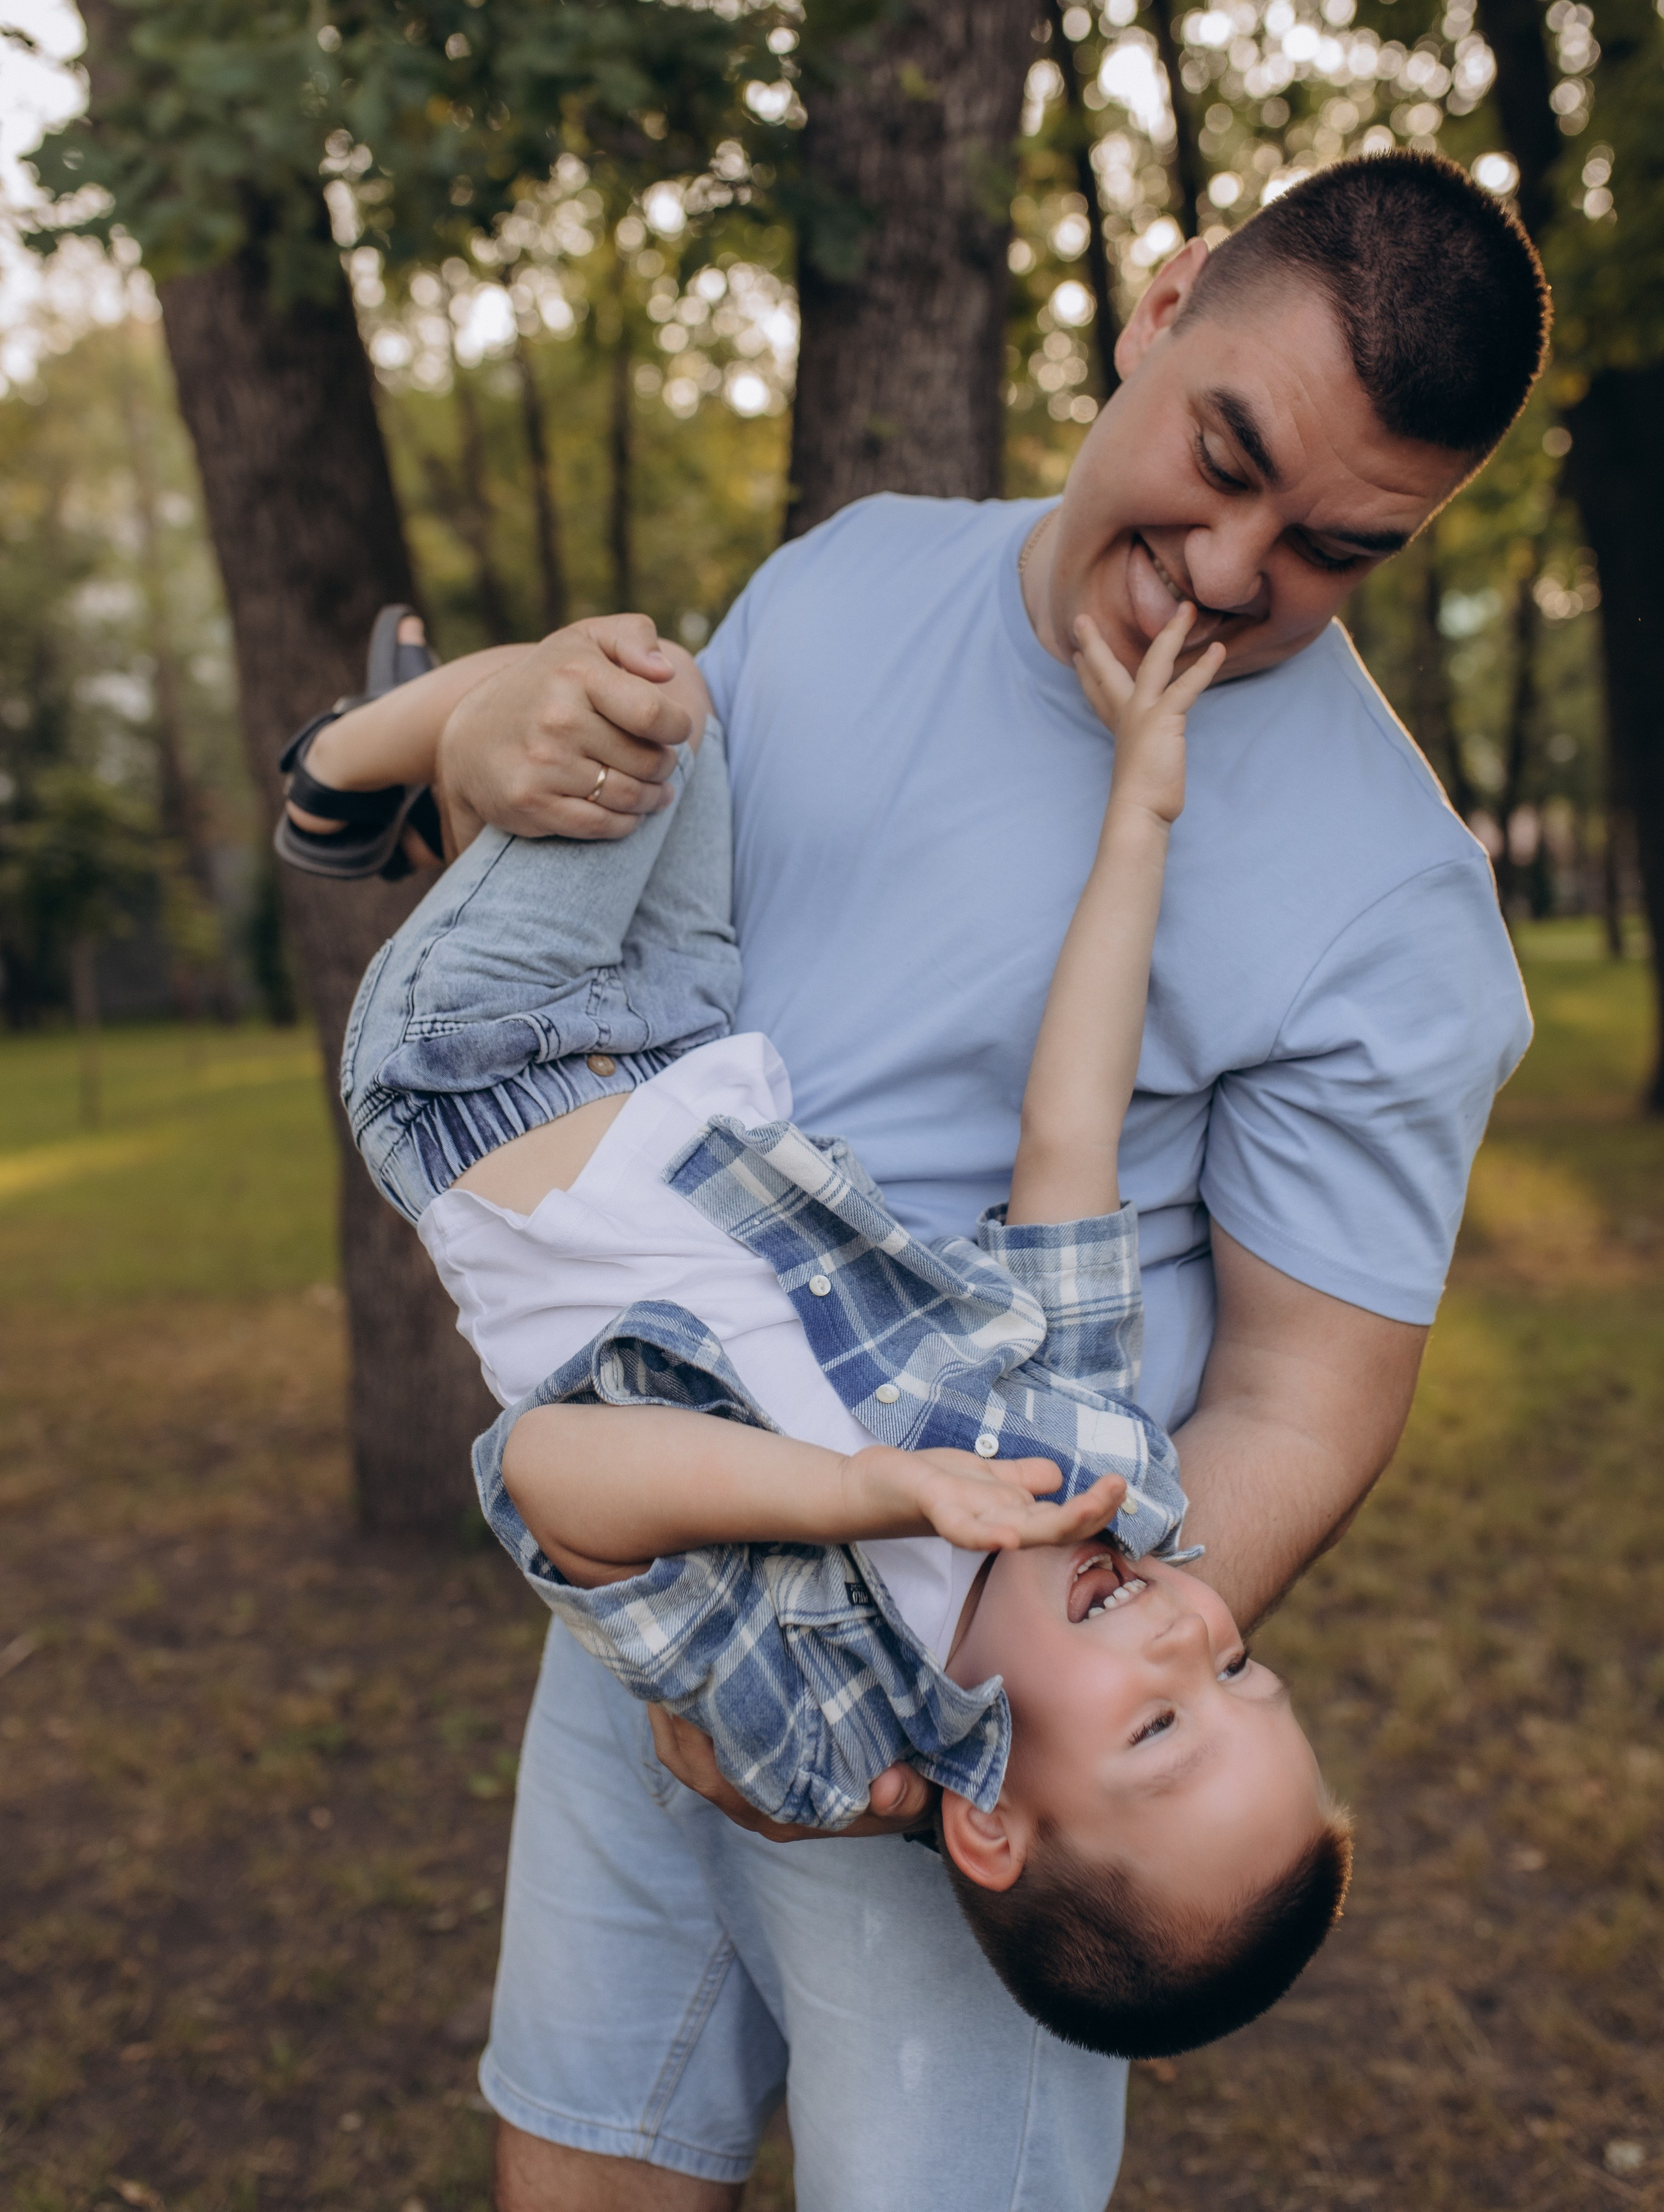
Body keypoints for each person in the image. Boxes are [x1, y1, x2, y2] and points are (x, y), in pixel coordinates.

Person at [285, 153, 1548, 2210]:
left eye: (1338, 549)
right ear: (1163, 304)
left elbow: (1310, 1402)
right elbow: (635, 952)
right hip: (664, 1578)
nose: (1234, 572)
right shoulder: (853, 576)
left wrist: (1034, 1682)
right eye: (1228, 458)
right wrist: (495, 741)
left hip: (961, 1735)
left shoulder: (1394, 906)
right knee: (586, 2163)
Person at [297, 593, 1349, 2061]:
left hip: (475, 1072)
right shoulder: (1100, 1464)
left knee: (628, 688)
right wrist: (1141, 811)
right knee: (669, 697)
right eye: (1241, 1672)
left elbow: (545, 1470)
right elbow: (1070, 1131)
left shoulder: (815, 1723)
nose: (1191, 1630)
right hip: (680, 1026)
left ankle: (342, 769)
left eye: (1159, 1725)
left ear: (991, 1825)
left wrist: (862, 1492)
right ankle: (417, 786)